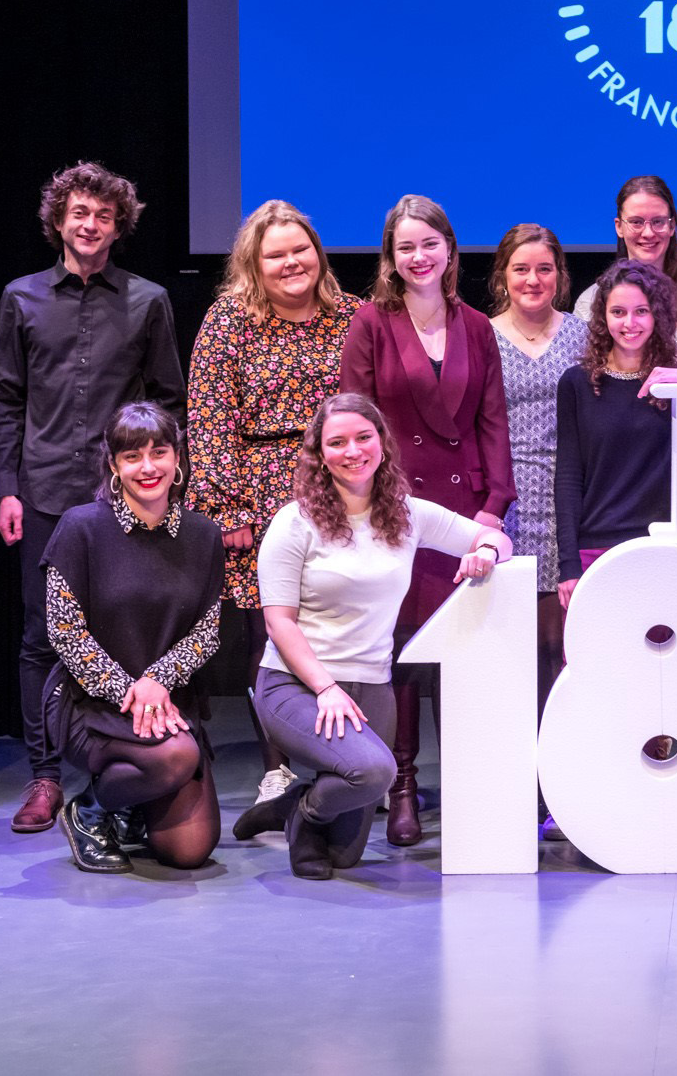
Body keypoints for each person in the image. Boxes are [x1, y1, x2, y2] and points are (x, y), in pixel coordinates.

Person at [0, 161, 185, 836]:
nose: (90, 224)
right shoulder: (21, 297)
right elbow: (4, 397)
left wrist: (157, 483)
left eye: (103, 215)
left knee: (125, 638)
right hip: (43, 493)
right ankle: (43, 778)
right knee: (42, 639)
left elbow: (166, 402)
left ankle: (122, 776)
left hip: (123, 501)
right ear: (58, 221)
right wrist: (6, 490)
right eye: (79, 213)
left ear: (117, 225)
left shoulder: (148, 299)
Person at [232, 394, 512, 877]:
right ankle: (305, 811)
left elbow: (495, 538)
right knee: (375, 771)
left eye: (364, 437)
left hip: (370, 687)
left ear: (382, 442)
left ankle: (298, 807)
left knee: (346, 854)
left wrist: (485, 549)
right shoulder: (294, 522)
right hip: (296, 684)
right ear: (319, 454)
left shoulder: (407, 514)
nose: (353, 450)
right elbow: (278, 621)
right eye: (336, 442)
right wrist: (325, 688)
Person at [340, 195, 515, 845]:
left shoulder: (476, 326)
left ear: (449, 248)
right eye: (405, 247)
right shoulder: (371, 324)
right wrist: (368, 503)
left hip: (466, 512)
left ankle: (471, 781)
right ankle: (405, 786)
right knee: (406, 653)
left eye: (429, 244)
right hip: (398, 512)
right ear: (390, 257)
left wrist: (493, 509)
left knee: (466, 649)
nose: (418, 257)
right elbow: (353, 422)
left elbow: (491, 422)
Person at [186, 202, 359, 809]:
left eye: (300, 249)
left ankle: (352, 759)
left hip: (343, 490)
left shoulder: (352, 317)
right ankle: (278, 768)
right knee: (274, 634)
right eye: (275, 254)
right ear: (254, 263)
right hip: (259, 497)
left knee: (344, 624)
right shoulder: (229, 319)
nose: (291, 263)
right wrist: (226, 505)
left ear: (318, 252)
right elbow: (208, 416)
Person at [39, 403, 222, 873]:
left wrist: (158, 682)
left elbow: (207, 631)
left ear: (177, 457)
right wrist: (131, 692)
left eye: (158, 452)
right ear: (114, 465)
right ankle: (91, 811)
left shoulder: (203, 536)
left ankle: (131, 807)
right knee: (177, 756)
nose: (147, 467)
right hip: (92, 702)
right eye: (132, 456)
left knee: (189, 852)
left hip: (168, 702)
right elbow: (65, 631)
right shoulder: (81, 527)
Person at [488, 223, 586, 832]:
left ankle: (562, 778)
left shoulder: (581, 334)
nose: (533, 280)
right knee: (509, 651)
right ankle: (510, 778)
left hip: (570, 497)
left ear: (559, 275)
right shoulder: (479, 334)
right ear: (504, 274)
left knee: (560, 648)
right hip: (503, 501)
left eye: (545, 269)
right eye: (522, 269)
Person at [555, 259, 677, 610]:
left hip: (661, 545)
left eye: (641, 311)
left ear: (657, 315)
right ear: (603, 317)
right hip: (596, 546)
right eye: (618, 312)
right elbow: (567, 476)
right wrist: (568, 563)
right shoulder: (577, 383)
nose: (630, 323)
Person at [572, 176, 677, 513]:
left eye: (659, 221)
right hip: (612, 481)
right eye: (637, 222)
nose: (648, 232)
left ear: (673, 227)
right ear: (618, 226)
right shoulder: (591, 303)